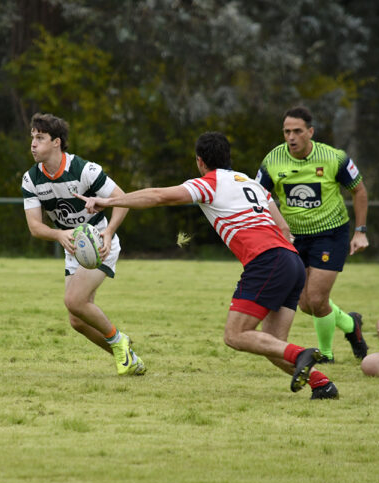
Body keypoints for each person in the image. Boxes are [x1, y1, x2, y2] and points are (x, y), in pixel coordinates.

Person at [76, 131, 338, 398]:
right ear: (228, 157)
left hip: (268, 260)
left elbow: (157, 196)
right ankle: (323, 385)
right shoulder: (252, 183)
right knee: (271, 345)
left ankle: (302, 354)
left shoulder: (208, 183)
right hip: (290, 260)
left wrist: (108, 201)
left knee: (235, 335)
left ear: (200, 162)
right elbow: (282, 227)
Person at [21, 113, 145, 376]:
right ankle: (128, 357)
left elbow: (122, 200)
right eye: (32, 137)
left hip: (98, 243)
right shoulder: (31, 179)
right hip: (73, 247)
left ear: (56, 142)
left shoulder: (86, 171)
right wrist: (58, 235)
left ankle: (119, 340)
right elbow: (35, 226)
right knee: (76, 319)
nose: (33, 143)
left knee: (73, 300)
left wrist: (109, 233)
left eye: (40, 138)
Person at [255, 106, 369, 364]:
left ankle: (326, 354)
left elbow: (359, 190)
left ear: (310, 132)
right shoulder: (273, 160)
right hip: (293, 238)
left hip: (330, 234)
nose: (291, 137)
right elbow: (259, 196)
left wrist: (360, 231)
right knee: (306, 304)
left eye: (297, 131)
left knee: (316, 299)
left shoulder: (333, 158)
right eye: (286, 132)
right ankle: (351, 324)